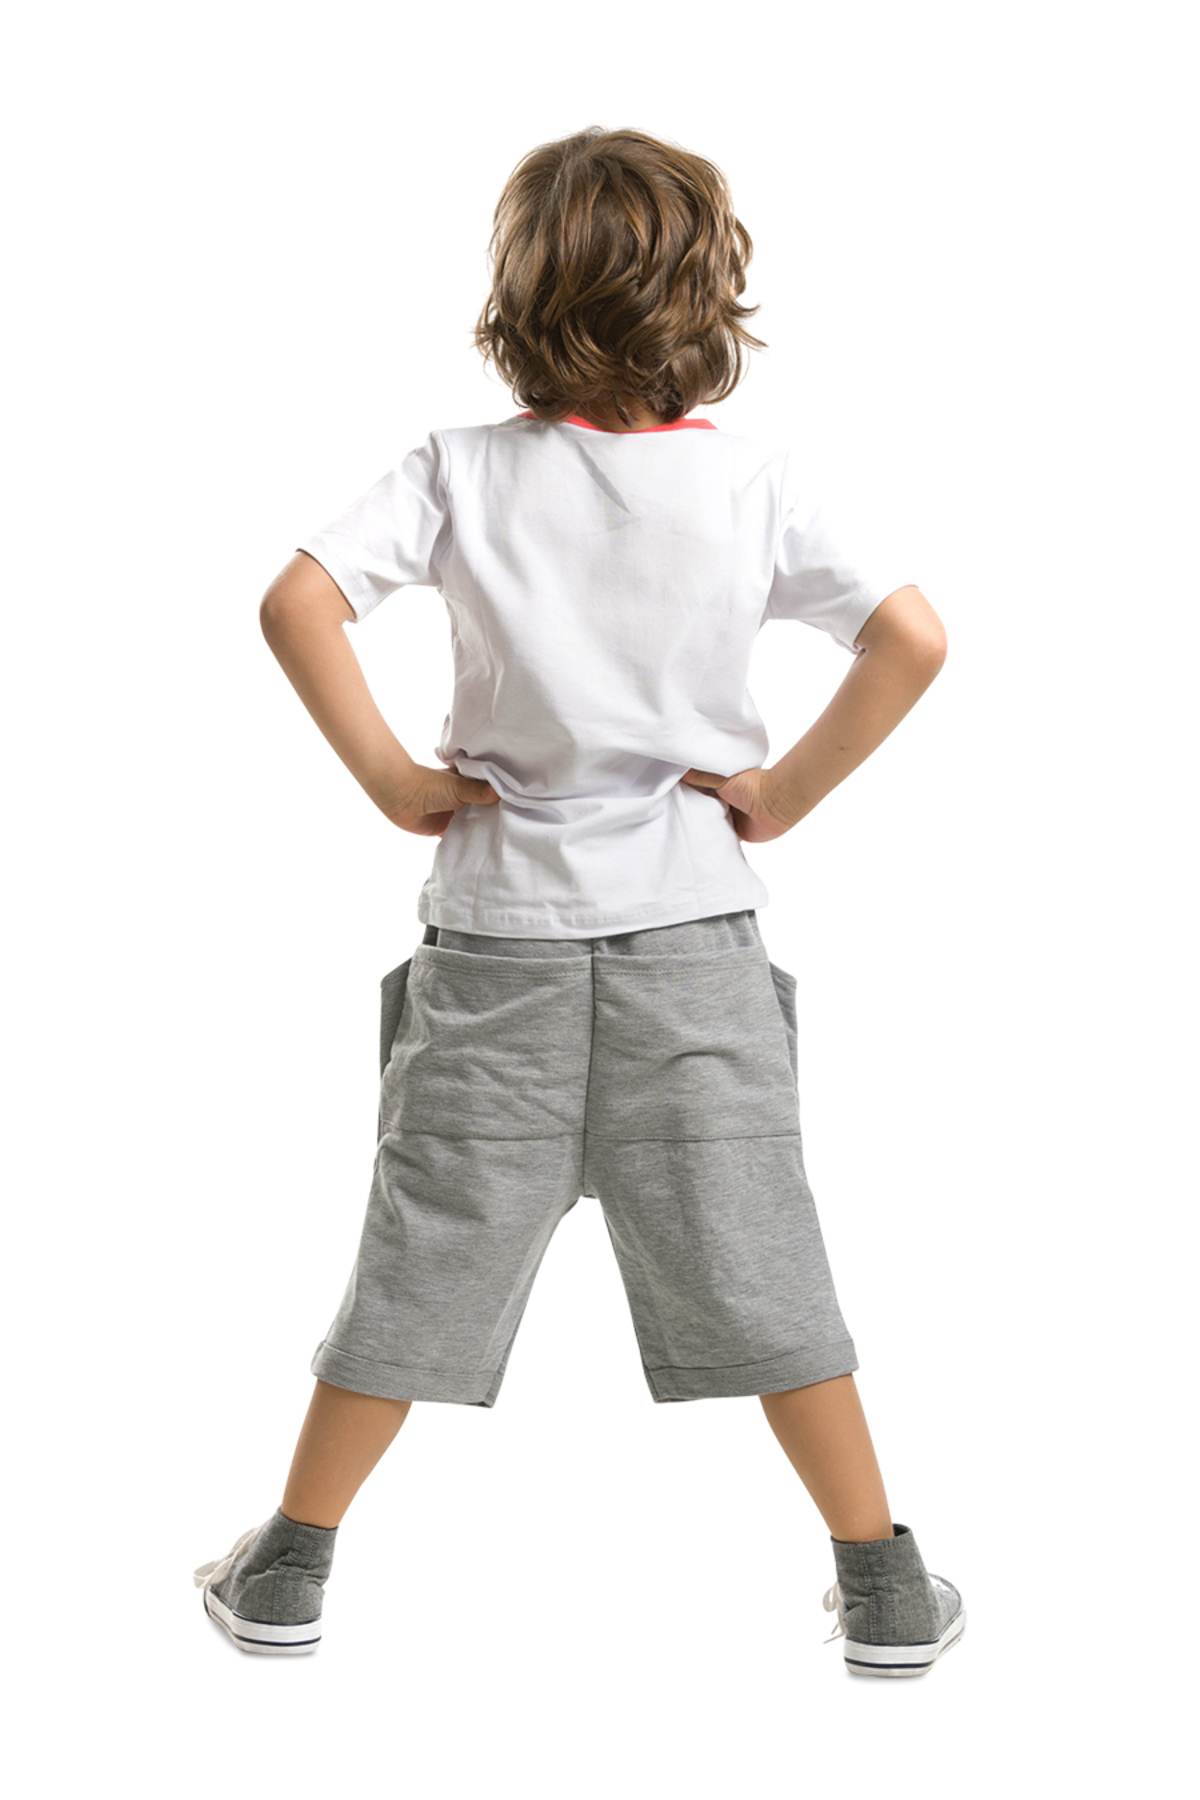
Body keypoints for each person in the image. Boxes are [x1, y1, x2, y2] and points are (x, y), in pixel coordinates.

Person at [194, 125, 965, 1677]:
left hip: (497, 952)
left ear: (522, 296)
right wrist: (780, 796)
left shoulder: (458, 470)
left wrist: (395, 781)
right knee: (762, 1260)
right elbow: (915, 639)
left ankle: (284, 1570)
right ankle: (882, 1584)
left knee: (418, 1260)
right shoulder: (754, 482)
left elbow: (297, 603)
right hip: (694, 952)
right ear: (711, 290)